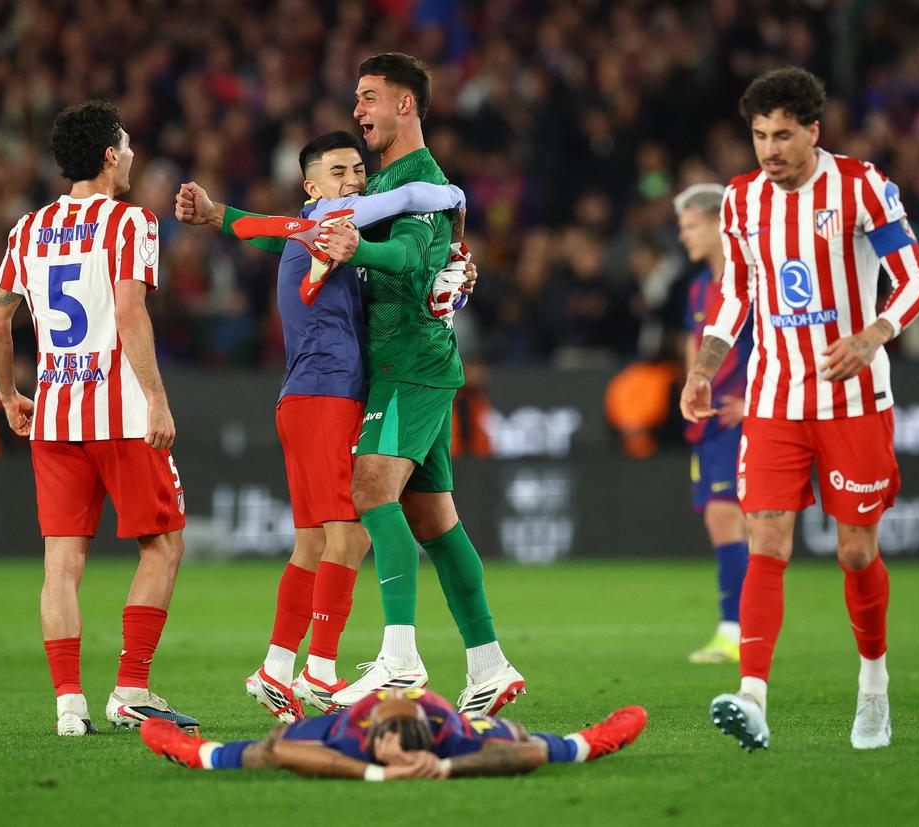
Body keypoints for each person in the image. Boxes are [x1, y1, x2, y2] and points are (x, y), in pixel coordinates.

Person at [174, 130, 469, 722]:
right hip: (328, 392)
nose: (354, 180)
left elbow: (264, 233)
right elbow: (409, 195)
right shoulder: (332, 217)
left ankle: (278, 669)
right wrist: (452, 194)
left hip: (308, 397)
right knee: (352, 534)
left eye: (358, 170)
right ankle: (322, 671)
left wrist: (217, 216)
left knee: (314, 541)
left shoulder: (319, 231)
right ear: (311, 187)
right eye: (338, 171)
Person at [679, 68, 919, 751]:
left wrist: (872, 335)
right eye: (759, 136)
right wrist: (704, 368)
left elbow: (914, 279)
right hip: (774, 398)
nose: (770, 150)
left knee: (855, 551)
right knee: (767, 540)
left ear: (813, 131)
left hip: (852, 400)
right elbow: (736, 296)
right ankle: (752, 694)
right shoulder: (740, 200)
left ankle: (873, 685)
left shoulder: (860, 186)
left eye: (783, 135)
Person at [0, 101, 198, 737]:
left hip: (53, 416)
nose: (132, 155)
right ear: (109, 156)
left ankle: (68, 704)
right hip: (123, 414)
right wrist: (157, 400)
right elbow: (130, 315)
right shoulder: (133, 223)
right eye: (126, 145)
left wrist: (9, 397)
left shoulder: (28, 229)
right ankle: (131, 687)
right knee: (163, 545)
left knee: (61, 564)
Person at [320, 53, 525, 714]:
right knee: (434, 518)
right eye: (357, 98)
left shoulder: (421, 178)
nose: (358, 111)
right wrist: (224, 217)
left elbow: (410, 259)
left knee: (370, 486)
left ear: (404, 105)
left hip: (410, 360)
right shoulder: (388, 183)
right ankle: (489, 664)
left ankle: (401, 658)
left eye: (369, 97)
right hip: (410, 361)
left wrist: (362, 251)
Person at [140, 687, 647, 780]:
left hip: (437, 716)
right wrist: (372, 775)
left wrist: (445, 766)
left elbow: (530, 754)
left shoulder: (454, 736)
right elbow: (286, 750)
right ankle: (201, 754)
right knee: (277, 746)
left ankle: (588, 742)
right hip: (358, 713)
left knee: (517, 734)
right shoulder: (347, 736)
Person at [675, 183, 753, 664]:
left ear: (718, 224)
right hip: (709, 420)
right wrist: (691, 386)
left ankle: (737, 630)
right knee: (723, 521)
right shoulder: (701, 286)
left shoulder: (752, 283)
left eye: (690, 227)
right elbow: (693, 343)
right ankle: (741, 627)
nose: (684, 237)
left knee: (733, 519)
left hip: (744, 418)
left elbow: (775, 344)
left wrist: (755, 402)